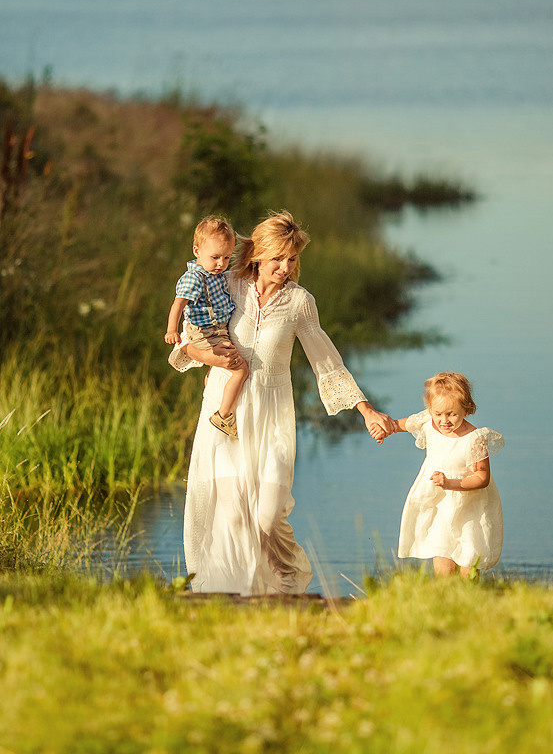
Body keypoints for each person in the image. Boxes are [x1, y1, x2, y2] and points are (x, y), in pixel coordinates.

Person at [169, 210, 396, 595]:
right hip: (225, 412)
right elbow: (188, 344)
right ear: (257, 255)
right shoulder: (226, 286)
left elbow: (326, 360)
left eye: (292, 259)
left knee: (268, 516)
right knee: (233, 514)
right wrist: (213, 359)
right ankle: (231, 594)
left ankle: (288, 581)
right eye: (278, 258)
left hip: (272, 414)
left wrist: (366, 409)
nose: (285, 267)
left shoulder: (299, 303)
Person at [379, 372, 504, 577]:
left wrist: (450, 483)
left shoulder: (474, 439)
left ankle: (469, 601)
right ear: (430, 409)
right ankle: (445, 597)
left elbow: (482, 477)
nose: (444, 420)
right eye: (438, 413)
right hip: (438, 502)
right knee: (442, 552)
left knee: (469, 560)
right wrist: (384, 429)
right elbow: (397, 425)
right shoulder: (428, 422)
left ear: (466, 408)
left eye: (452, 414)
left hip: (469, 505)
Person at [164, 215, 248, 439]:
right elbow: (178, 303)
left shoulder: (214, 274)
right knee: (240, 369)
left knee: (218, 368)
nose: (221, 263)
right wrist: (172, 329)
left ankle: (211, 392)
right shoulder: (195, 278)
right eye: (215, 257)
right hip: (205, 332)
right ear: (196, 251)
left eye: (227, 257)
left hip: (216, 330)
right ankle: (223, 415)